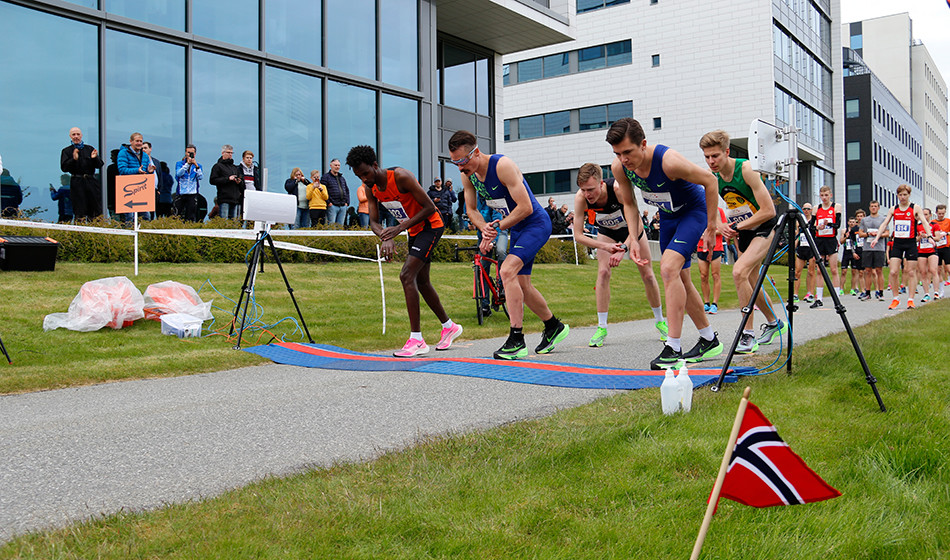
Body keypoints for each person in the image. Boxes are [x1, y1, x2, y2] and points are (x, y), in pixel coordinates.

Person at [606, 118, 721, 369]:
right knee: (681, 278)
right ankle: (708, 339)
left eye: (628, 152)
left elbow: (711, 182)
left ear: (643, 144)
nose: (624, 159)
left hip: (693, 211)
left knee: (668, 269)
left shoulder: (669, 161)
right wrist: (633, 238)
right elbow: (629, 203)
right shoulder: (620, 167)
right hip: (668, 215)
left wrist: (711, 227)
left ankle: (673, 348)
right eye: (617, 154)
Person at [449, 130, 569, 360]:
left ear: (476, 152)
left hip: (535, 224)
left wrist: (496, 228)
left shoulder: (502, 166)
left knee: (506, 271)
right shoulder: (468, 175)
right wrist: (484, 228)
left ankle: (516, 339)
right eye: (455, 163)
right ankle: (554, 326)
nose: (460, 168)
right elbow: (471, 210)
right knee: (523, 285)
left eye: (462, 161)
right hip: (517, 228)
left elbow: (526, 207)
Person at [346, 145, 462, 357]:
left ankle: (417, 340)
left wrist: (398, 229)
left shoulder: (401, 177)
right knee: (422, 281)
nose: (364, 179)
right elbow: (373, 222)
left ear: (375, 165)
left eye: (365, 173)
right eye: (358, 176)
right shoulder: (371, 188)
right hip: (414, 230)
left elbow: (429, 207)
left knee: (407, 275)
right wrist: (386, 236)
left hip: (431, 226)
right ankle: (449, 327)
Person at [700, 130, 786, 354]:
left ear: (727, 152)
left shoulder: (746, 169)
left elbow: (769, 210)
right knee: (751, 280)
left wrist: (737, 227)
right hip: (744, 231)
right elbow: (711, 209)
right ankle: (774, 323)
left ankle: (748, 335)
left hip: (765, 227)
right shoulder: (712, 177)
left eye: (715, 156)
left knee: (739, 272)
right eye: (707, 157)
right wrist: (721, 226)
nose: (711, 161)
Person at [571, 163, 667, 348]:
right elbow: (578, 235)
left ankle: (660, 321)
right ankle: (601, 327)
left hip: (632, 231)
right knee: (603, 273)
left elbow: (638, 223)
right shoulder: (581, 198)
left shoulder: (617, 189)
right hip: (607, 232)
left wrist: (624, 247)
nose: (587, 194)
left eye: (591, 189)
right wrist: (606, 247)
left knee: (647, 274)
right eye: (583, 190)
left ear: (601, 184)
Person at [869, 184, 932, 309]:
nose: (902, 197)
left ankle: (910, 300)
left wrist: (929, 236)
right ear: (897, 195)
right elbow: (884, 223)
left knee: (911, 272)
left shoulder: (915, 208)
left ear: (909, 195)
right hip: (897, 242)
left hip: (910, 243)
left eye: (905, 195)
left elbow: (924, 222)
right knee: (893, 271)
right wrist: (876, 238)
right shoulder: (894, 209)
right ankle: (895, 298)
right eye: (900, 195)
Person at [807, 185, 842, 308]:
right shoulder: (816, 208)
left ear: (830, 195)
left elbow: (838, 224)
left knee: (833, 269)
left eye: (826, 195)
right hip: (820, 240)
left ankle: (837, 298)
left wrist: (829, 224)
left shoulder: (836, 207)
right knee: (820, 270)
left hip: (831, 240)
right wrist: (818, 227)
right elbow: (811, 226)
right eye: (822, 195)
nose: (824, 198)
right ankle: (819, 298)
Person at [59, 127, 104, 221]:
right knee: (80, 210)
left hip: (91, 182)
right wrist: (73, 159)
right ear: (70, 136)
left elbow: (100, 165)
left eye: (78, 134)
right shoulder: (66, 151)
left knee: (95, 210)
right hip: (77, 183)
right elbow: (64, 168)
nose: (76, 136)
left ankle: (95, 227)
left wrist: (94, 158)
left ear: (81, 135)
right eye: (74, 134)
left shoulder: (89, 149)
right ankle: (80, 228)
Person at [116, 132, 155, 221]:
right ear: (131, 141)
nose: (139, 143)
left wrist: (149, 171)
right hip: (128, 189)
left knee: (146, 216)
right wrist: (137, 170)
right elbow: (122, 170)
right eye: (137, 141)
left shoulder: (145, 155)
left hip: (141, 189)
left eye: (141, 141)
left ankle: (143, 230)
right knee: (130, 218)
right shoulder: (123, 153)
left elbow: (145, 173)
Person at [696, 206, 727, 315]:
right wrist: (700, 234)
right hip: (701, 247)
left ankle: (715, 303)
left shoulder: (718, 210)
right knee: (703, 275)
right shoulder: (698, 209)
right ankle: (706, 303)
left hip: (716, 247)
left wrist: (709, 234)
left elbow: (723, 229)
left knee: (715, 274)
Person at [858, 200, 887, 301]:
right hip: (867, 247)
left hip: (879, 248)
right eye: (872, 206)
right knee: (867, 270)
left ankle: (881, 292)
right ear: (869, 208)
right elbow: (860, 233)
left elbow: (887, 233)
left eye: (875, 206)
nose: (873, 208)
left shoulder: (883, 219)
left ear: (878, 208)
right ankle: (867, 293)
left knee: (879, 270)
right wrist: (868, 234)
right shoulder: (864, 220)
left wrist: (878, 234)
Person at [209, 145, 244, 220]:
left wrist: (239, 181)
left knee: (234, 223)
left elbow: (242, 182)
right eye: (228, 152)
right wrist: (228, 179)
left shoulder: (234, 167)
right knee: (224, 222)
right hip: (224, 198)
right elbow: (212, 180)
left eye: (231, 153)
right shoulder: (217, 166)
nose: (230, 154)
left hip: (235, 199)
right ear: (223, 153)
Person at [793, 204, 818, 302]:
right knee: (797, 272)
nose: (806, 210)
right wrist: (794, 245)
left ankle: (810, 293)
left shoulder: (813, 221)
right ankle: (795, 294)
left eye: (808, 209)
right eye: (804, 209)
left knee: (811, 271)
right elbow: (797, 235)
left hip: (811, 248)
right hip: (801, 247)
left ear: (811, 210)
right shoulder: (799, 221)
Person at [917, 207, 941, 302]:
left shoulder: (934, 225)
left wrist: (928, 236)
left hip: (932, 250)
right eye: (922, 214)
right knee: (923, 272)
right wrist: (920, 237)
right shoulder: (918, 226)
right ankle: (926, 293)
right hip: (921, 251)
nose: (924, 216)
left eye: (926, 214)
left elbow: (938, 238)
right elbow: (915, 239)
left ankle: (936, 292)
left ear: (930, 215)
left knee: (933, 270)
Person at [174, 144, 203, 222]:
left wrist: (196, 165)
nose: (189, 154)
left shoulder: (198, 165)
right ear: (185, 153)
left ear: (195, 154)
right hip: (181, 193)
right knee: (178, 214)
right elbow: (178, 174)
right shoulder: (179, 164)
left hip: (192, 193)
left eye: (191, 153)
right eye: (188, 152)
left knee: (191, 215)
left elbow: (200, 177)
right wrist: (187, 164)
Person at [322, 158, 350, 226]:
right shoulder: (326, 177)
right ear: (331, 166)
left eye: (338, 165)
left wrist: (347, 202)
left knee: (340, 226)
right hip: (332, 206)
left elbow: (347, 190)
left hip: (343, 206)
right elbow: (322, 191)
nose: (337, 167)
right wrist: (329, 202)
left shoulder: (342, 178)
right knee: (331, 226)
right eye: (335, 165)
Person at [142, 141, 162, 219]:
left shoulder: (156, 161)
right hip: (145, 189)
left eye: (145, 148)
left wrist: (159, 189)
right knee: (146, 211)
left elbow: (160, 176)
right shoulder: (141, 161)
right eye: (142, 148)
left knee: (154, 210)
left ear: (150, 149)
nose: (143, 150)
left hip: (155, 190)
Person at [238, 150, 263, 214]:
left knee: (252, 214)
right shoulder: (238, 169)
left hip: (253, 195)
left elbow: (257, 183)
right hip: (243, 196)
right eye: (247, 158)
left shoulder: (256, 169)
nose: (249, 159)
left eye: (250, 158)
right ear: (243, 159)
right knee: (242, 214)